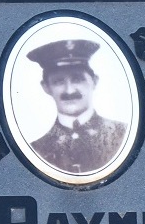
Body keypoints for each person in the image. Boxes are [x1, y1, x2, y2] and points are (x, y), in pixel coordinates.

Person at [26, 39, 127, 174]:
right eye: (58, 81)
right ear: (46, 87)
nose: (69, 91)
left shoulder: (122, 135)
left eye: (77, 79)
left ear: (94, 81)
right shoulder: (36, 150)